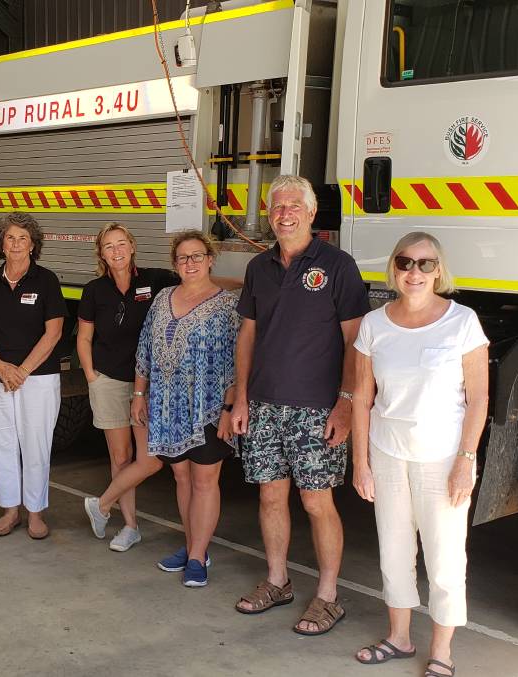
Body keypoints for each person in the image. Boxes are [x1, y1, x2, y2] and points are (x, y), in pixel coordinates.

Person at [230, 174, 370, 635]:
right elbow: (247, 335)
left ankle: (328, 596)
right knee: (270, 496)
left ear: (312, 213)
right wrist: (241, 398)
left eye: (294, 205)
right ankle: (277, 581)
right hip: (264, 406)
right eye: (277, 206)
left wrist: (346, 404)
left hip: (316, 408)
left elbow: (356, 343)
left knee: (316, 502)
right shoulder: (259, 268)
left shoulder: (337, 265)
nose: (284, 213)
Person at [350, 232, 488, 677]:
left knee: (445, 557)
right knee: (393, 549)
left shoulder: (462, 321)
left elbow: (479, 399)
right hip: (387, 453)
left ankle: (442, 653)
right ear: (393, 268)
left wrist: (466, 459)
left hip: (443, 457)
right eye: (406, 262)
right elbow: (361, 397)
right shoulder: (375, 324)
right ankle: (400, 637)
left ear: (439, 271)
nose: (415, 272)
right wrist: (361, 463)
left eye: (425, 264)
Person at [91, 231, 238, 586]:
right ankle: (192, 547)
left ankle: (198, 558)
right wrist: (140, 395)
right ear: (175, 263)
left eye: (197, 256)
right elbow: (145, 350)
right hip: (167, 405)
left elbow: (237, 359)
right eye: (183, 258)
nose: (190, 263)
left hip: (207, 406)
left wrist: (230, 407)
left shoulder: (227, 304)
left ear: (210, 259)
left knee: (205, 480)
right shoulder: (162, 298)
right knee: (181, 476)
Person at [77, 223, 176, 552]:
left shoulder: (155, 280)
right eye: (109, 246)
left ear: (132, 246)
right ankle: (130, 527)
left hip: (146, 383)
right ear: (101, 253)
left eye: (121, 244)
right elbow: (84, 337)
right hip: (108, 380)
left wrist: (244, 287)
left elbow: (199, 283)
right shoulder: (94, 290)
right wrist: (92, 376)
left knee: (150, 460)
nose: (116, 251)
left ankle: (102, 504)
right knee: (121, 459)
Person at [0, 212, 66, 540]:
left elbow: (53, 333)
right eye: (10, 238)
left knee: (36, 443)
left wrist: (22, 371)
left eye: (22, 238)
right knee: (2, 442)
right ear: (1, 243)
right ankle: (10, 510)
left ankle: (36, 512)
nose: (15, 244)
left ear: (33, 244)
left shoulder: (47, 280)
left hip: (37, 378)